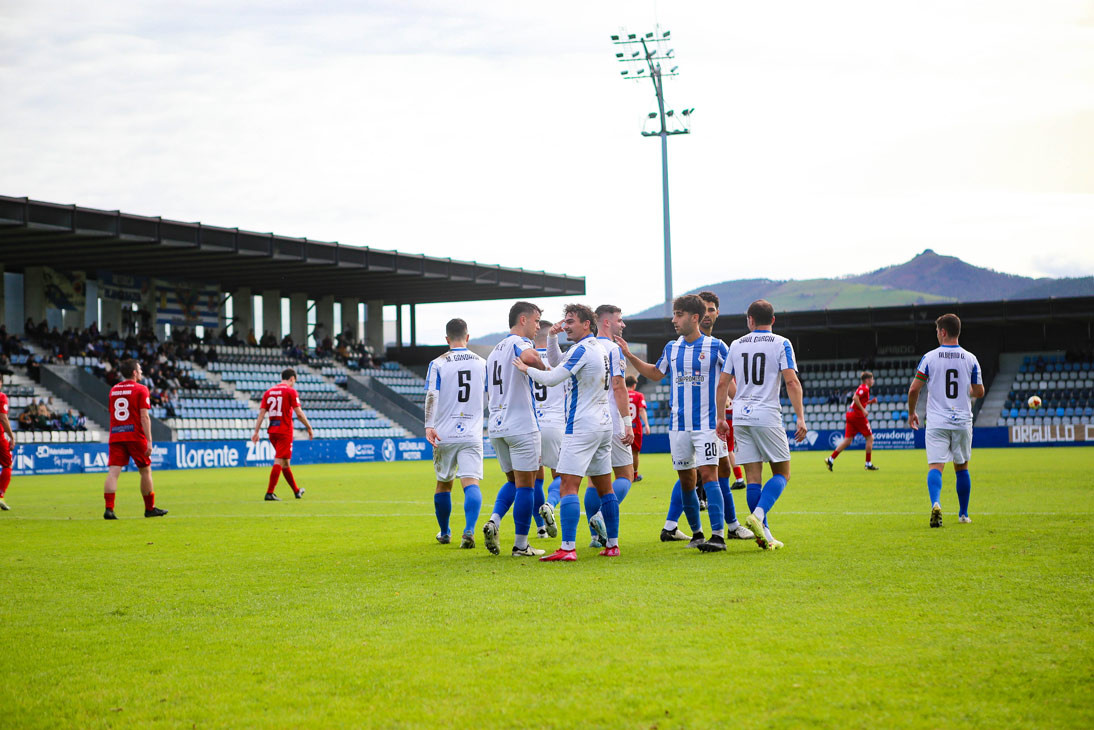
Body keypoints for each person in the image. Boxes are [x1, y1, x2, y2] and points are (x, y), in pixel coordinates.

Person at [616, 294, 735, 552]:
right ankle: (697, 535)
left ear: (695, 318)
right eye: (674, 314)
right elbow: (656, 373)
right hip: (678, 426)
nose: (674, 320)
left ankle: (718, 535)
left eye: (679, 315)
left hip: (706, 426)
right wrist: (629, 356)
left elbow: (732, 380)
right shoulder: (672, 348)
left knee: (709, 476)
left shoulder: (717, 347)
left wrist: (731, 408)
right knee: (686, 481)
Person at [515, 303, 632, 560]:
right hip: (602, 425)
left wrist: (527, 370)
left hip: (580, 425)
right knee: (605, 488)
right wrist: (553, 337)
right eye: (565, 321)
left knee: (568, 484)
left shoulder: (581, 349)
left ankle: (567, 547)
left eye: (570, 321)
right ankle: (612, 544)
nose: (566, 325)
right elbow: (560, 364)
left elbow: (553, 377)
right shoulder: (598, 349)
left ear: (586, 324)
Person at [726, 299, 807, 550]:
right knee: (783, 472)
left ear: (749, 320)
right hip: (767, 414)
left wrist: (721, 416)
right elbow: (791, 382)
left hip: (740, 415)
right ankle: (759, 516)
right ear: (773, 320)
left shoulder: (736, 344)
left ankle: (767, 537)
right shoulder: (782, 343)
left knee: (753, 478)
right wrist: (800, 417)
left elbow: (723, 383)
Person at [482, 302, 548, 557]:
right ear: (523, 319)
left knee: (512, 482)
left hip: (496, 426)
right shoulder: (520, 343)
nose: (538, 326)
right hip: (520, 424)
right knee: (526, 486)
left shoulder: (494, 351)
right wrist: (541, 367)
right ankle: (521, 545)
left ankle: (495, 521)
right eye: (536, 321)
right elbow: (530, 357)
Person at [907, 313, 984, 527]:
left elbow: (914, 388)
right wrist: (963, 391)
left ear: (943, 332)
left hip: (937, 422)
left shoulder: (930, 357)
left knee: (935, 467)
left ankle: (936, 503)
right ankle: (963, 514)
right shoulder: (971, 359)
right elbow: (979, 391)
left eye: (937, 332)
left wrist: (912, 412)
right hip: (961, 421)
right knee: (962, 467)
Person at [569, 304, 636, 547]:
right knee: (626, 475)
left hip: (588, 419)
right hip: (612, 419)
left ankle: (595, 537)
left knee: (594, 479)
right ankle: (600, 518)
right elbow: (619, 386)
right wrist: (627, 423)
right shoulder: (612, 349)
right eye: (620, 319)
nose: (623, 324)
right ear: (606, 322)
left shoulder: (585, 347)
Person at [424, 318, 486, 549]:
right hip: (471, 433)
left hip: (444, 433)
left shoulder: (438, 363)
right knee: (471, 483)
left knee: (443, 483)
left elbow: (432, 395)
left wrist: (429, 425)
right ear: (467, 337)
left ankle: (444, 532)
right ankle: (469, 530)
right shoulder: (482, 363)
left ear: (447, 339)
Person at [103, 359, 167, 519]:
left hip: (117, 434)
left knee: (113, 472)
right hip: (135, 435)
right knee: (145, 471)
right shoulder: (141, 389)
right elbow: (144, 417)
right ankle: (149, 508)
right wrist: (150, 440)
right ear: (134, 372)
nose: (141, 372)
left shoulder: (113, 390)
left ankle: (109, 509)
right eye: (139, 369)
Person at [252, 368, 315, 501]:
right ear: (292, 379)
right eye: (294, 382)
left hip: (272, 431)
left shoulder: (268, 392)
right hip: (284, 431)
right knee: (279, 460)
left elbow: (262, 414)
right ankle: (269, 493)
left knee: (285, 462)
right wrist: (309, 427)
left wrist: (256, 431)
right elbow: (299, 413)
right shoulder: (291, 391)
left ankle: (297, 491)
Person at [532, 321, 562, 539]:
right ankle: (550, 504)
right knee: (562, 475)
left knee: (534, 479)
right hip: (555, 423)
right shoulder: (561, 360)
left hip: (530, 424)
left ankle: (540, 528)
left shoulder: (526, 358)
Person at [826, 371, 879, 471]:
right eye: (872, 379)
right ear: (867, 380)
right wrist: (863, 410)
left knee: (848, 441)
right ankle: (868, 463)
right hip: (857, 415)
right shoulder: (865, 388)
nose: (873, 381)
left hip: (850, 414)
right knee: (870, 438)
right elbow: (855, 398)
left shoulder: (861, 388)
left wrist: (870, 402)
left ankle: (831, 459)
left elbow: (860, 400)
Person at [625, 376, 649, 481]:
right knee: (635, 453)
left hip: (623, 427)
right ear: (634, 385)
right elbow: (641, 410)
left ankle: (624, 475)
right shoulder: (639, 395)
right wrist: (647, 425)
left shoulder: (621, 394)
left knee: (623, 453)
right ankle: (634, 476)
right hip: (635, 428)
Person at [0, 374, 13, 511]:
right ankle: (0, 495)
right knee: (7, 464)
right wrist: (12, 436)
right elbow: (3, 418)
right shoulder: (1, 397)